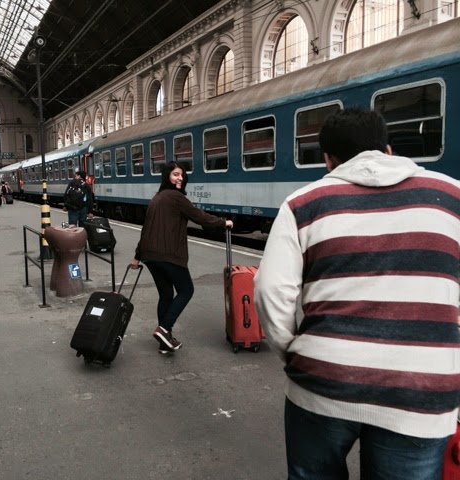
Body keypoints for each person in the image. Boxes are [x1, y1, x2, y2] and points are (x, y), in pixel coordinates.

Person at [253, 107, 460, 479]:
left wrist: (296, 353)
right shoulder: (452, 197)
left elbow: (269, 293)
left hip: (323, 378)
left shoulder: (302, 203)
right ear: (388, 149)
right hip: (422, 390)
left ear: (328, 159)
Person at [130, 161, 233, 354]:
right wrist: (223, 222)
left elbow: (145, 229)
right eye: (175, 174)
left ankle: (164, 342)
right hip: (169, 254)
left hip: (150, 256)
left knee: (166, 295)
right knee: (186, 290)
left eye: (181, 175)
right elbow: (199, 216)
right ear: (167, 176)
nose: (180, 178)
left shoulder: (156, 198)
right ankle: (164, 328)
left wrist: (137, 257)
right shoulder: (176, 197)